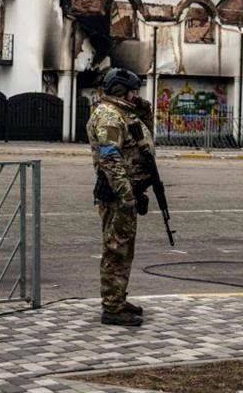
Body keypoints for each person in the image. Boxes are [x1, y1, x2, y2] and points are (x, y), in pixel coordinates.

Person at [86, 67, 154, 326]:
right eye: (132, 91)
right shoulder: (109, 116)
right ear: (118, 90)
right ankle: (112, 308)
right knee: (116, 250)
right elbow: (111, 158)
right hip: (117, 193)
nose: (136, 95)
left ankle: (118, 297)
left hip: (127, 192)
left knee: (124, 249)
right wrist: (126, 195)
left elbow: (140, 142)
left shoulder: (123, 112)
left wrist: (144, 109)